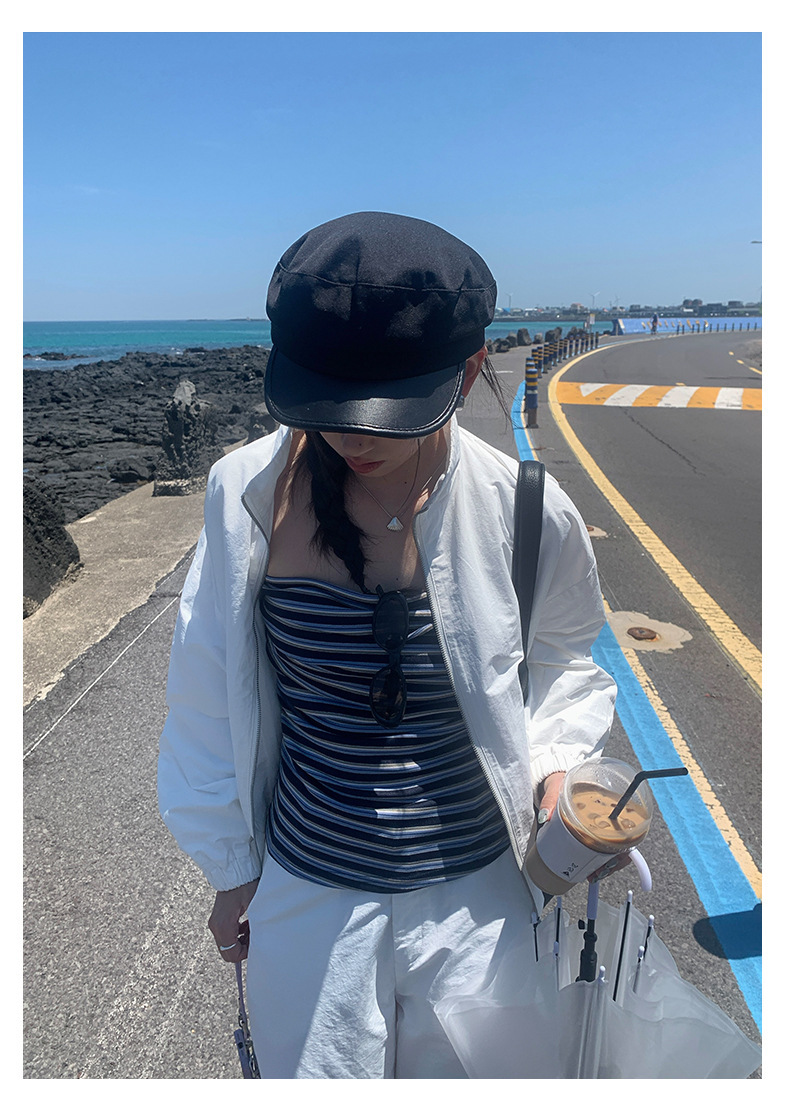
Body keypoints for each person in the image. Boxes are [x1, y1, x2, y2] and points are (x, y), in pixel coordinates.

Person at [158, 211, 617, 1078]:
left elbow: (564, 658)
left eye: (387, 411)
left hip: (480, 905)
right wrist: (229, 867)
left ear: (469, 368)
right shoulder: (246, 493)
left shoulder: (527, 506)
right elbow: (205, 683)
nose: (352, 436)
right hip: (307, 896)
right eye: (329, 403)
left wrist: (559, 768)